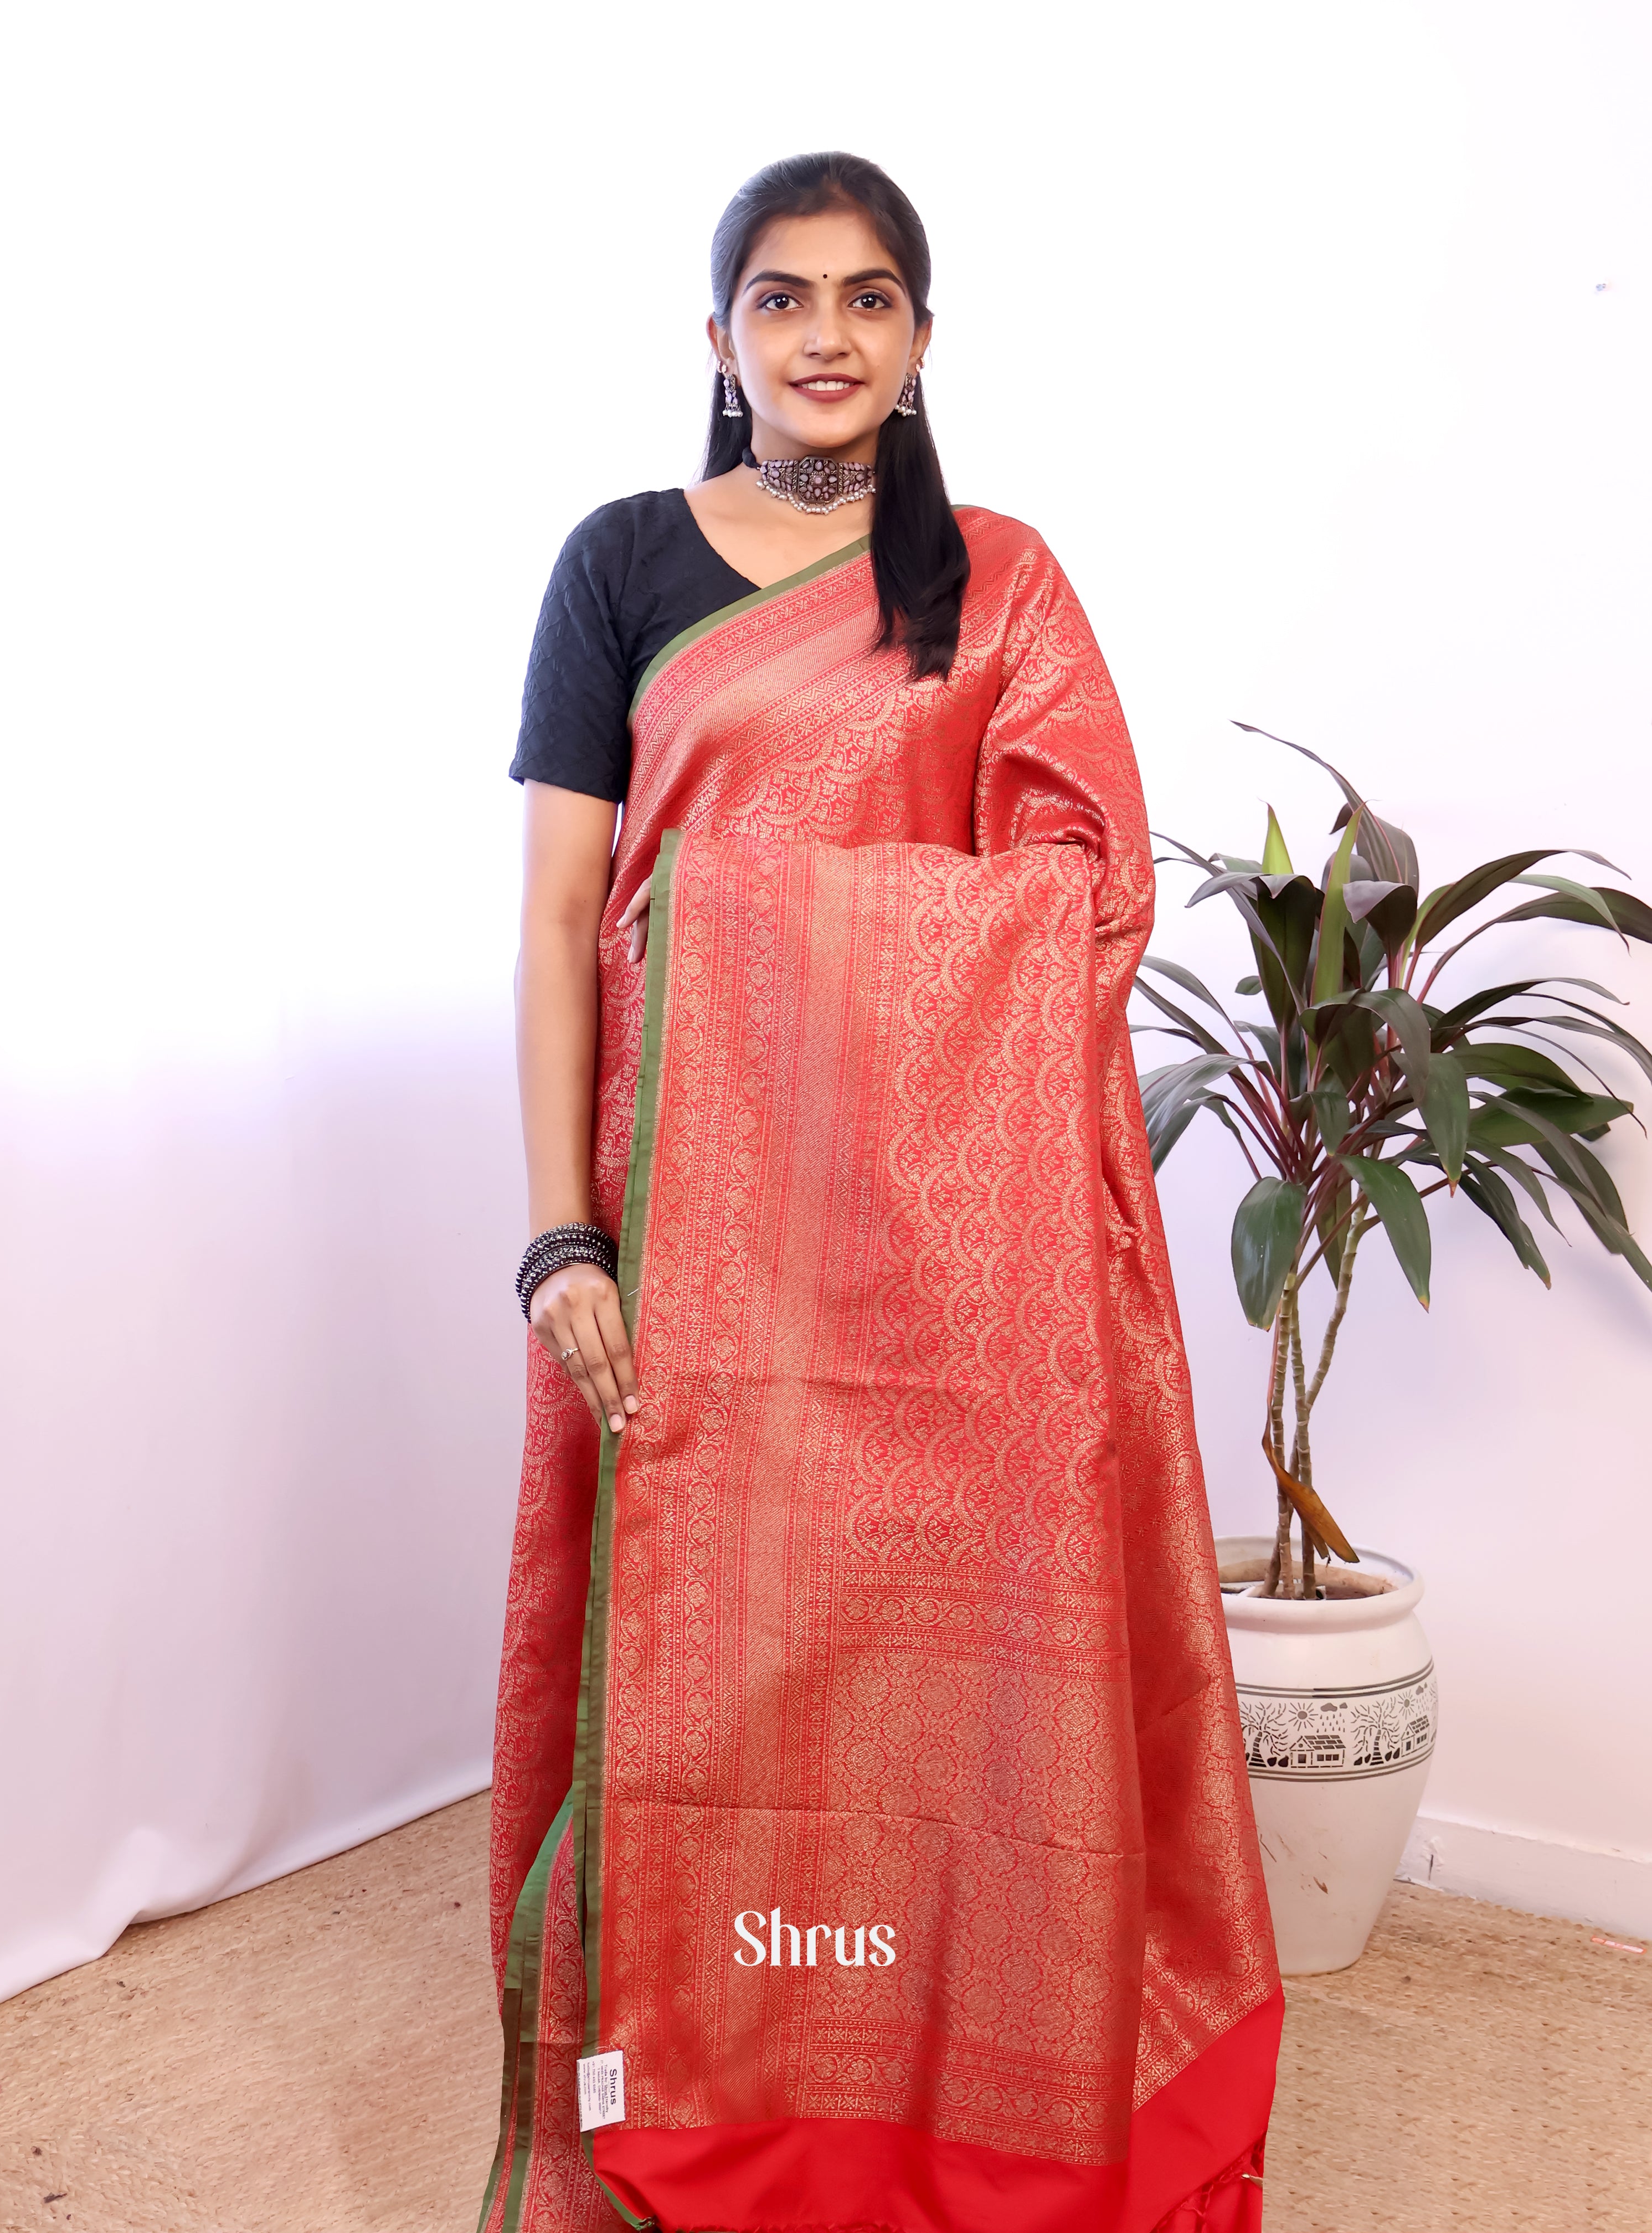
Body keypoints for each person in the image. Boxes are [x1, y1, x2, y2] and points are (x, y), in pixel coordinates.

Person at [481, 152, 1280, 2233]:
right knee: (700, 1670)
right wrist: (564, 1231)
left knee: (935, 1683)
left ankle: (929, 2097)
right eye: (780, 298)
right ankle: (706, 2089)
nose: (824, 335)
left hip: (947, 1248)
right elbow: (568, 910)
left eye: (868, 299)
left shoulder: (995, 581)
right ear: (719, 336)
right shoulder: (622, 564)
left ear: (922, 342)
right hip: (681, 1216)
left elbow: (1086, 886)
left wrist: (752, 926)